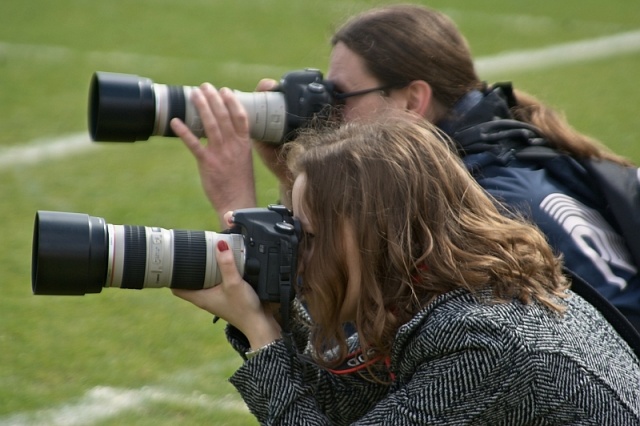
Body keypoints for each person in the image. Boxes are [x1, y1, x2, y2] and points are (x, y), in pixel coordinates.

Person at [170, 4, 640, 331]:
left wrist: (235, 205)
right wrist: (292, 179)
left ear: (413, 99)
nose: (327, 117)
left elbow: (356, 354)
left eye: (341, 98)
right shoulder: (517, 145)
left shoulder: (478, 204)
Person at [172, 116, 640, 424]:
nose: (298, 251)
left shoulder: (484, 338)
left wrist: (261, 333)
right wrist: (275, 316)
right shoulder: (450, 290)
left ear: (378, 234)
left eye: (310, 236)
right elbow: (342, 407)